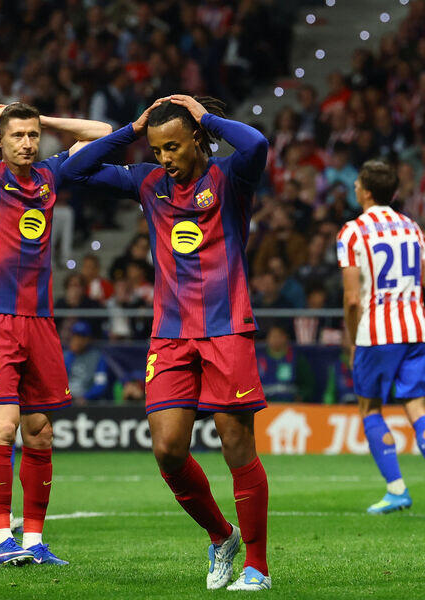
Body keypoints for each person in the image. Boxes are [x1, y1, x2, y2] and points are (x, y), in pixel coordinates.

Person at [62, 95, 272, 591]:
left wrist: (206, 116)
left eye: (172, 147)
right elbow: (73, 171)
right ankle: (221, 536)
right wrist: (133, 130)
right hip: (170, 335)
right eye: (157, 150)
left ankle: (257, 567)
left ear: (197, 137)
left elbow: (257, 143)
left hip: (226, 328)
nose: (165, 158)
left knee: (236, 445)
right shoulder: (148, 182)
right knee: (168, 450)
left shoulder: (230, 177)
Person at [0, 101, 111, 566]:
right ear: (0, 139)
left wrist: (46, 120)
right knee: (3, 426)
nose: (28, 143)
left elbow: (102, 131)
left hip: (40, 321)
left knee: (40, 432)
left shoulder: (51, 174)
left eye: (33, 135)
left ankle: (33, 540)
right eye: (18, 135)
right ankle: (1, 539)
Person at [337, 159, 425, 516]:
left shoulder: (352, 232)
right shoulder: (412, 228)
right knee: (418, 408)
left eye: (357, 183)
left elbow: (352, 299)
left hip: (375, 333)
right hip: (415, 330)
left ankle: (396, 489)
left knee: (370, 408)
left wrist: (353, 340)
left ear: (366, 192)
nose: (355, 187)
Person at [256, 325, 314, 403]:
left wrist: (300, 397)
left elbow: (307, 384)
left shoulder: (296, 358)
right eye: (273, 336)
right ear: (267, 339)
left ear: (285, 338)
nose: (275, 340)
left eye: (279, 336)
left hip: (289, 403)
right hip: (265, 404)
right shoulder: (258, 359)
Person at [63, 321, 110, 404]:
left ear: (88, 339)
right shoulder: (65, 356)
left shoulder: (97, 358)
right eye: (76, 336)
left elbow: (101, 384)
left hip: (87, 402)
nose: (78, 341)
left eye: (82, 337)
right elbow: (58, 382)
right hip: (67, 399)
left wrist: (86, 397)